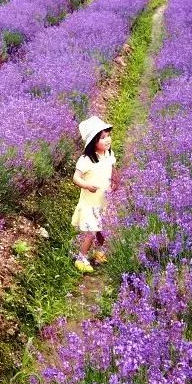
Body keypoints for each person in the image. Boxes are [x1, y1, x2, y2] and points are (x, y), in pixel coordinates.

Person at [71, 115, 117, 273]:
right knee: (91, 232)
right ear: (92, 143)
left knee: (103, 231)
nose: (107, 140)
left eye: (108, 135)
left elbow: (112, 170)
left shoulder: (109, 155)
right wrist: (87, 185)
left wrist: (114, 183)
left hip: (104, 201)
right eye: (102, 138)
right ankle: (81, 258)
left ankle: (99, 252)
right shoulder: (86, 160)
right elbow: (76, 178)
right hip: (90, 203)